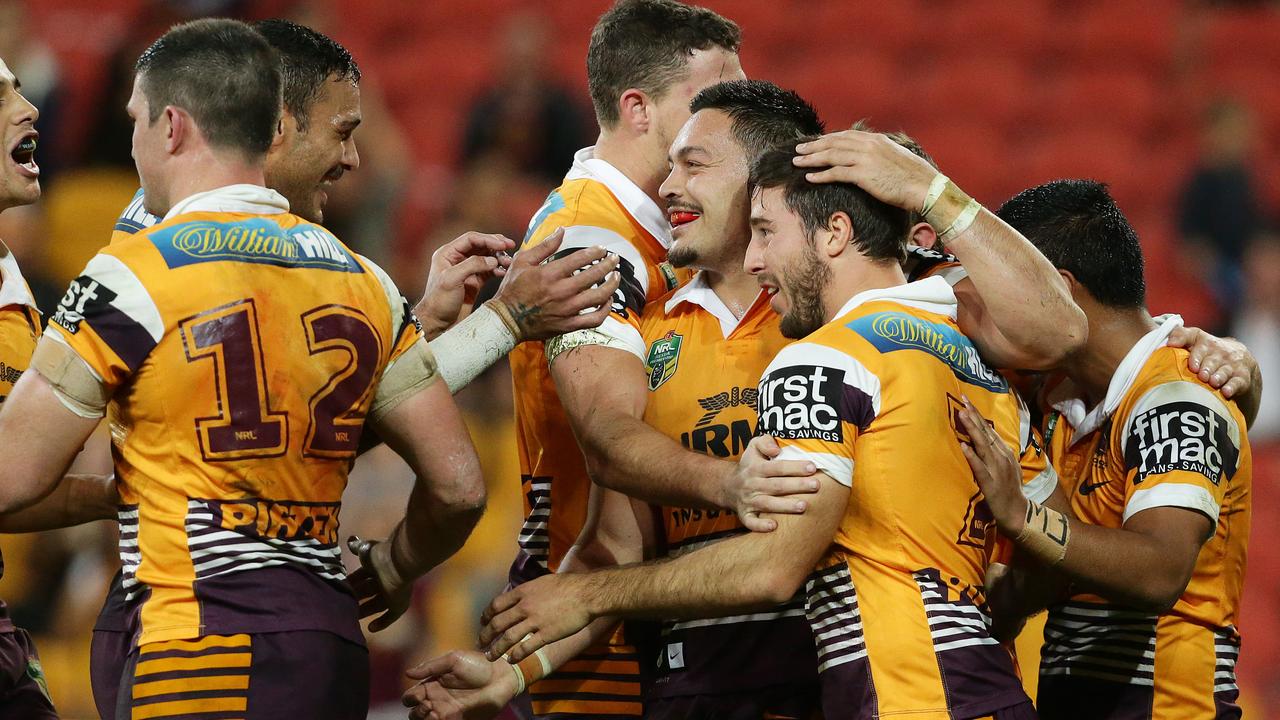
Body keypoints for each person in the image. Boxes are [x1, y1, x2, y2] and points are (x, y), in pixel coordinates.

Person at [81, 19, 622, 719]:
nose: (356, 158)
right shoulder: (184, 241)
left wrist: (413, 327)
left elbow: (289, 418)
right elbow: (312, 439)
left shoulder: (183, 235)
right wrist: (501, 324)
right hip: (222, 617)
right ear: (276, 127)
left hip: (177, 614)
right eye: (341, 130)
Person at [473, 135, 1053, 719]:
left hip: (900, 695)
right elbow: (1046, 562)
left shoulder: (823, 358)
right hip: (989, 690)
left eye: (767, 230)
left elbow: (775, 566)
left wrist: (581, 595)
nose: (755, 256)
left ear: (834, 232)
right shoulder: (980, 363)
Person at [0, 19, 484, 718]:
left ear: (170, 127)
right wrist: (393, 565)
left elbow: (13, 475)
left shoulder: (134, 272)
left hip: (195, 638)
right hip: (327, 637)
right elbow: (461, 486)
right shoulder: (367, 279)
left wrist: (145, 477)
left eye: (135, 120)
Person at [504, 2, 756, 716]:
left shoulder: (661, 233)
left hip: (638, 598)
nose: (730, 119)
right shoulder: (593, 240)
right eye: (709, 100)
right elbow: (609, 441)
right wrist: (736, 485)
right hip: (591, 621)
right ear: (638, 108)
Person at [960, 180, 1252, 720]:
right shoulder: (1056, 396)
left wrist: (1025, 519)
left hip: (1167, 707)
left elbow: (1159, 572)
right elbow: (1069, 571)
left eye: (1003, 287)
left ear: (1061, 291)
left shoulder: (1177, 400)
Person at [0, 52, 60, 720]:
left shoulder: (20, 300)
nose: (29, 107)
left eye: (22, 85)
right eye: (0, 96)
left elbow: (16, 477)